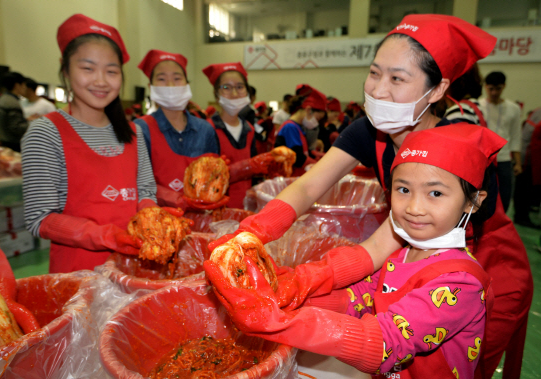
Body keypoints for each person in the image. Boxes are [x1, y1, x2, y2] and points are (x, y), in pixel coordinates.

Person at [208, 14, 532, 379]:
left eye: (397, 78)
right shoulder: (370, 133)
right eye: (375, 73)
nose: (378, 90)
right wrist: (255, 235)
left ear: (438, 89)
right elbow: (311, 187)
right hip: (414, 264)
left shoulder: (460, 152)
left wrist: (282, 316)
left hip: (485, 270)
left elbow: (386, 336)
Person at [206, 123, 505, 379]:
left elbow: (386, 341)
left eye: (435, 193)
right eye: (403, 190)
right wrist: (293, 292)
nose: (414, 207)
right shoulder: (405, 253)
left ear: (473, 202)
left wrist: (278, 321)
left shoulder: (461, 283)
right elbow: (361, 298)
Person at [21, 14, 162, 273]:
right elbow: (40, 219)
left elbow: (145, 191)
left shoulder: (132, 131)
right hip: (78, 276)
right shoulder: (46, 132)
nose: (100, 80)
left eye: (111, 71)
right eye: (87, 68)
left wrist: (152, 217)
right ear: (65, 70)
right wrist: (105, 236)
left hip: (134, 269)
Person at [134, 50, 220, 209]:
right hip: (158, 221)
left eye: (177, 78)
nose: (171, 85)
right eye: (161, 79)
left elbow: (214, 177)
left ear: (187, 84)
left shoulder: (205, 130)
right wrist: (179, 199)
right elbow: (136, 182)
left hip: (201, 219)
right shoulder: (140, 129)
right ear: (150, 87)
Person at [202, 62, 277, 209]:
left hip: (246, 207)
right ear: (216, 95)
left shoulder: (248, 128)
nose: (235, 94)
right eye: (226, 88)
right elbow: (207, 178)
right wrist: (248, 166)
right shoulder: (208, 129)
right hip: (217, 210)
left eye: (240, 87)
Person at [479, 71, 522, 212]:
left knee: (504, 196)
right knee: (482, 195)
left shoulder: (513, 108)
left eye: (498, 89)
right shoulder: (478, 105)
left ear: (504, 87)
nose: (494, 92)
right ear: (485, 87)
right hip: (483, 157)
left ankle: (500, 227)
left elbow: (515, 135)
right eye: (490, 89)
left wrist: (518, 162)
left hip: (504, 158)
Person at [274, 84, 327, 176]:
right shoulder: (290, 127)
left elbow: (304, 151)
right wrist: (318, 165)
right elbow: (297, 158)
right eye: (317, 119)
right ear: (308, 110)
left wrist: (317, 155)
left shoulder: (298, 127)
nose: (316, 123)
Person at [513, 108, 541, 228]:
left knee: (524, 188)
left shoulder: (537, 111)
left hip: (527, 155)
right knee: (524, 188)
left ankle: (522, 214)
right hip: (529, 157)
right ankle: (521, 216)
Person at [0, 72, 29, 152]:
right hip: (13, 145)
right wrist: (33, 122)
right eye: (23, 85)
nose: (25, 88)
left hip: (3, 141)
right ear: (17, 85)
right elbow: (16, 128)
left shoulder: (2, 99)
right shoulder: (12, 103)